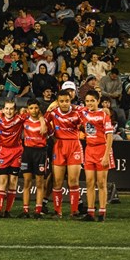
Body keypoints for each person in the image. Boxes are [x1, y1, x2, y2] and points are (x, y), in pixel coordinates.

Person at [45, 89, 84, 219]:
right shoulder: (53, 112)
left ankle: (74, 211)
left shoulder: (77, 112)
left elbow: (88, 118)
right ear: (57, 102)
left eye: (67, 101)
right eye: (61, 101)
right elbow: (43, 122)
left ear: (70, 100)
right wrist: (51, 134)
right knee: (58, 181)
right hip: (59, 146)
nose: (64, 104)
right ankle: (58, 212)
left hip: (74, 146)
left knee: (73, 181)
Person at [80, 90, 113, 222]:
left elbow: (110, 136)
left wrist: (106, 155)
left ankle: (102, 212)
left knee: (101, 182)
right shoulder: (83, 112)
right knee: (89, 182)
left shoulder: (104, 115)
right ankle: (91, 212)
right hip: (89, 150)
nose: (89, 103)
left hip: (101, 149)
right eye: (87, 101)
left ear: (98, 101)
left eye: (92, 100)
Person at [0, 100, 27, 218]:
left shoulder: (20, 119)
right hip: (3, 151)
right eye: (7, 108)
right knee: (2, 181)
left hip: (16, 152)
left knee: (13, 181)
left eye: (11, 109)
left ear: (15, 110)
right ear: (3, 109)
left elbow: (35, 114)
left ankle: (7, 211)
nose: (9, 111)